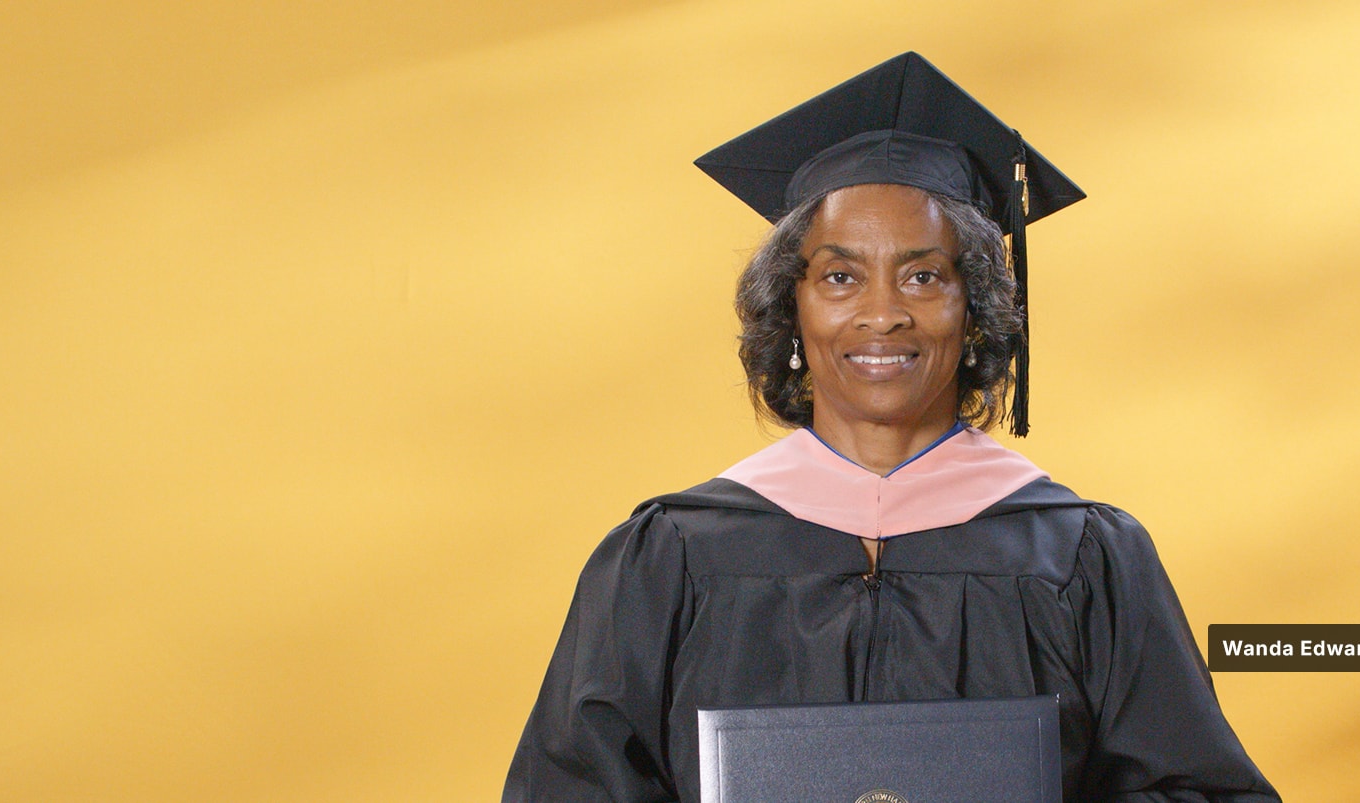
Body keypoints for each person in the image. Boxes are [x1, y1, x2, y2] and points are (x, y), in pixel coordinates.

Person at [503, 52, 1279, 802]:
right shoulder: (669, 558)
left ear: (974, 307)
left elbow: (1201, 790)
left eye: (924, 275)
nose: (883, 312)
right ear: (792, 306)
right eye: (840, 276)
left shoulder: (1085, 558)